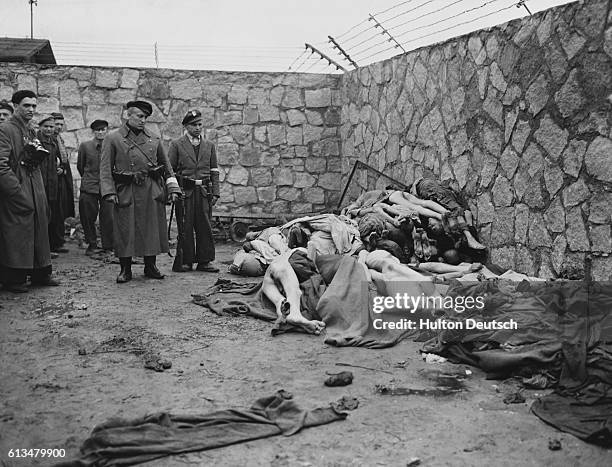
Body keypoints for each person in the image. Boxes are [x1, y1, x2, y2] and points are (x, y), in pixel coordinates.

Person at [100, 100, 181, 283]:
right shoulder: (113, 138)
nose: (143, 120)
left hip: (150, 190)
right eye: (139, 116)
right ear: (128, 115)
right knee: (125, 230)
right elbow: (105, 169)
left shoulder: (154, 138)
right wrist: (109, 192)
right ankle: (125, 269)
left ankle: (150, 266)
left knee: (151, 229)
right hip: (126, 190)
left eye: (145, 117)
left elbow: (167, 167)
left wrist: (173, 188)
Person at [0, 90, 59, 292]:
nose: (31, 110)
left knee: (39, 231)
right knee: (17, 233)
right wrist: (16, 191)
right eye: (26, 105)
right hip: (18, 191)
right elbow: (1, 166)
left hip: (35, 188)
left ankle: (40, 274)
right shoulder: (6, 130)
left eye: (34, 106)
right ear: (15, 106)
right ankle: (13, 278)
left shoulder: (30, 130)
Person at [168, 109, 220, 273]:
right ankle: (185, 260)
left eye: (199, 124)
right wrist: (174, 190)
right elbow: (170, 170)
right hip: (185, 192)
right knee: (185, 225)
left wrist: (216, 191)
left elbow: (214, 170)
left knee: (204, 225)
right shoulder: (177, 145)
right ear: (185, 126)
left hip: (204, 192)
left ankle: (205, 261)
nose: (197, 128)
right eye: (193, 125)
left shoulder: (209, 146)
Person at [262, 248, 326, 335]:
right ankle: (295, 313)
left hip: (269, 277)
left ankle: (284, 313)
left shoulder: (288, 252)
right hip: (284, 264)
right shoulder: (308, 249)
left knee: (279, 301)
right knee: (293, 291)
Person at [77, 119, 114, 255]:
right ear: (93, 132)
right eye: (98, 130)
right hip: (89, 187)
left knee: (109, 217)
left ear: (107, 131)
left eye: (103, 129)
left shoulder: (111, 146)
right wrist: (89, 179)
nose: (100, 132)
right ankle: (92, 244)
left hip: (107, 187)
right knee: (87, 217)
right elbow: (81, 166)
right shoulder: (85, 146)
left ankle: (108, 246)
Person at [37, 115, 67, 253]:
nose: (49, 129)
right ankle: (42, 249)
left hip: (52, 185)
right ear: (40, 127)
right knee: (40, 217)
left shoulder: (54, 143)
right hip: (40, 184)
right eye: (46, 127)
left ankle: (51, 246)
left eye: (51, 127)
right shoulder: (37, 142)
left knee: (51, 215)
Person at [50, 112, 75, 251]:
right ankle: (53, 243)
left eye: (61, 124)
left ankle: (58, 241)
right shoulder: (49, 139)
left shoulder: (59, 139)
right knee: (54, 211)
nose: (58, 127)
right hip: (54, 181)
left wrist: (63, 170)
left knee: (60, 210)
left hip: (61, 179)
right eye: (56, 124)